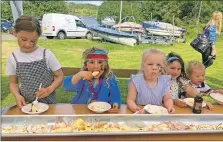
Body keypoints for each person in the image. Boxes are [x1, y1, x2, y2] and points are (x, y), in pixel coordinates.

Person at [6, 16, 64, 108]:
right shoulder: (13, 58)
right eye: (24, 39)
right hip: (26, 104)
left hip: (49, 104)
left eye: (33, 41)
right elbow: (13, 83)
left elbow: (60, 76)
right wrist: (17, 95)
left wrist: (50, 89)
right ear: (15, 33)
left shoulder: (46, 54)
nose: (28, 44)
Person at [63, 47, 121, 113]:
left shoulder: (110, 78)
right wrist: (79, 75)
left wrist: (115, 104)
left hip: (102, 115)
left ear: (105, 65)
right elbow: (67, 86)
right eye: (92, 62)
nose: (96, 66)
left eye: (100, 62)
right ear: (85, 65)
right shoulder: (82, 78)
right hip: (81, 112)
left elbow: (115, 94)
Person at [127, 48, 175, 113]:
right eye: (150, 64)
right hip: (141, 113)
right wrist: (135, 108)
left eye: (158, 65)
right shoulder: (136, 81)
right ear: (143, 66)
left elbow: (167, 98)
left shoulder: (164, 81)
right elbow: (130, 100)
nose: (154, 68)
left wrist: (170, 107)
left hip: (157, 114)